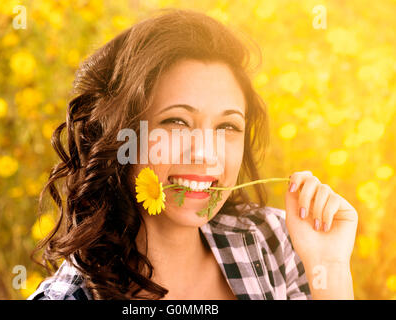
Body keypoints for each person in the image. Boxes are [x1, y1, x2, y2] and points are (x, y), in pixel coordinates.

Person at [28, 8, 358, 300]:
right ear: (121, 136)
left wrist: (330, 268)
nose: (205, 154)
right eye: (176, 121)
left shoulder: (274, 241)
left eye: (227, 127)